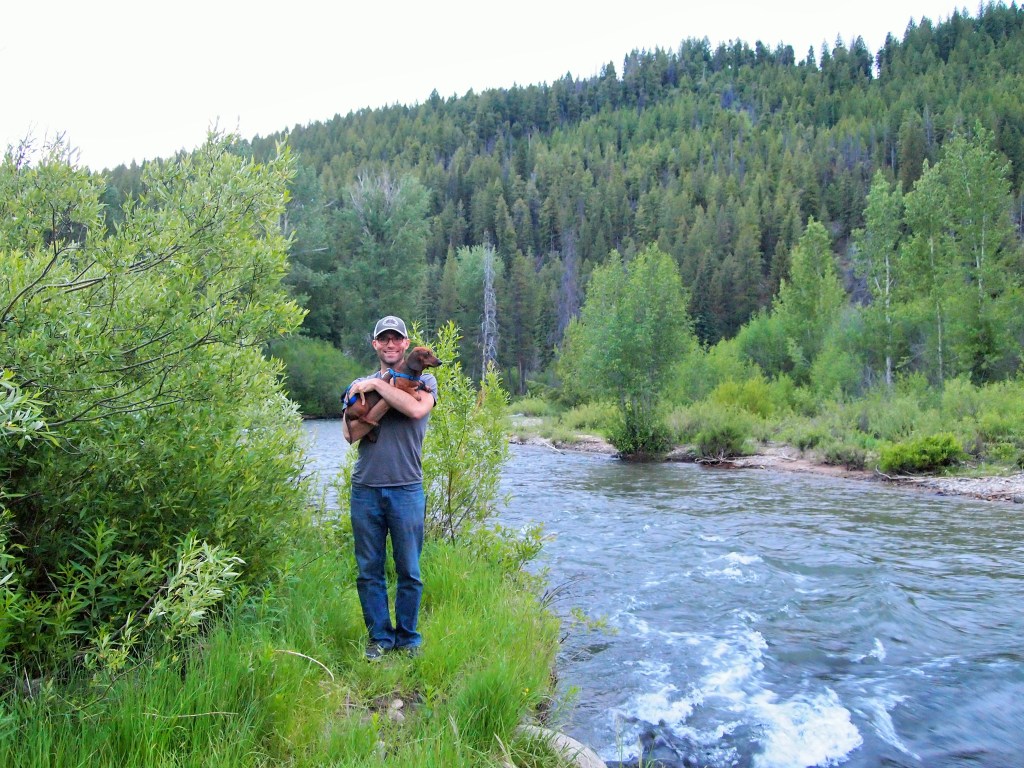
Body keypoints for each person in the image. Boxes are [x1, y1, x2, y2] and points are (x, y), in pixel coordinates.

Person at [342, 315, 438, 660]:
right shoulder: (360, 384)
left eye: (397, 338)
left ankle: (408, 639)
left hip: (407, 488)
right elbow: (351, 434)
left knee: (409, 570)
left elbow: (415, 410)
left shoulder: (425, 380)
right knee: (369, 570)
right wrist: (376, 390)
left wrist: (381, 387)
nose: (391, 344)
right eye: (384, 338)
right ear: (375, 345)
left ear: (407, 345)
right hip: (365, 489)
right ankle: (380, 639)